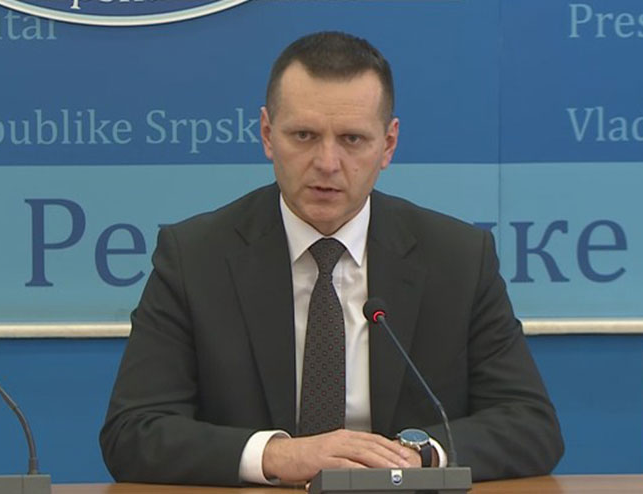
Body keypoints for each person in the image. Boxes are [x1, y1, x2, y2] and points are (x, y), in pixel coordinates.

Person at [100, 31, 564, 486]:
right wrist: (278, 455)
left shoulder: (457, 258)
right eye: (303, 135)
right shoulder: (195, 257)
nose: (327, 162)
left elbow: (531, 425)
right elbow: (133, 432)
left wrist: (415, 457)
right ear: (267, 134)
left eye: (352, 139)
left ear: (388, 145)